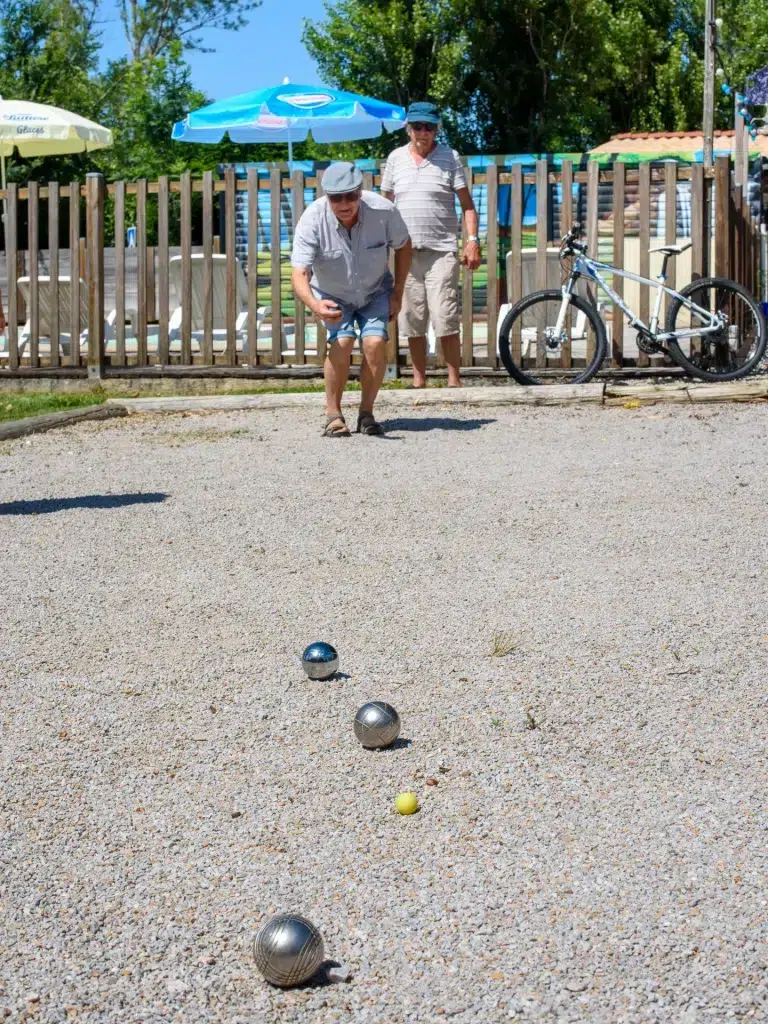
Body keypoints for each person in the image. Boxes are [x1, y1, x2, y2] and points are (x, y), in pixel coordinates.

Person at [292, 161, 412, 437]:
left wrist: (398, 293)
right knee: (342, 341)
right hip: (332, 293)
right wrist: (314, 304)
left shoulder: (383, 211)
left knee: (373, 343)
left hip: (375, 290)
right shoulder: (312, 219)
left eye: (351, 195)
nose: (344, 203)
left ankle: (366, 414)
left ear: (360, 191)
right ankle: (333, 414)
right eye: (336, 198)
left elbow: (404, 247)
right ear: (326, 196)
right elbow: (299, 273)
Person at [381, 101, 481, 388]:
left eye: (429, 127)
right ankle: (418, 380)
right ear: (408, 129)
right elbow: (384, 204)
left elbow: (468, 207)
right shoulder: (395, 159)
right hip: (405, 253)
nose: (423, 132)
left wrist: (472, 241)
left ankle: (454, 381)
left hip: (441, 251)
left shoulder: (450, 157)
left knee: (444, 316)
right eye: (417, 126)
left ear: (437, 129)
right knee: (412, 318)